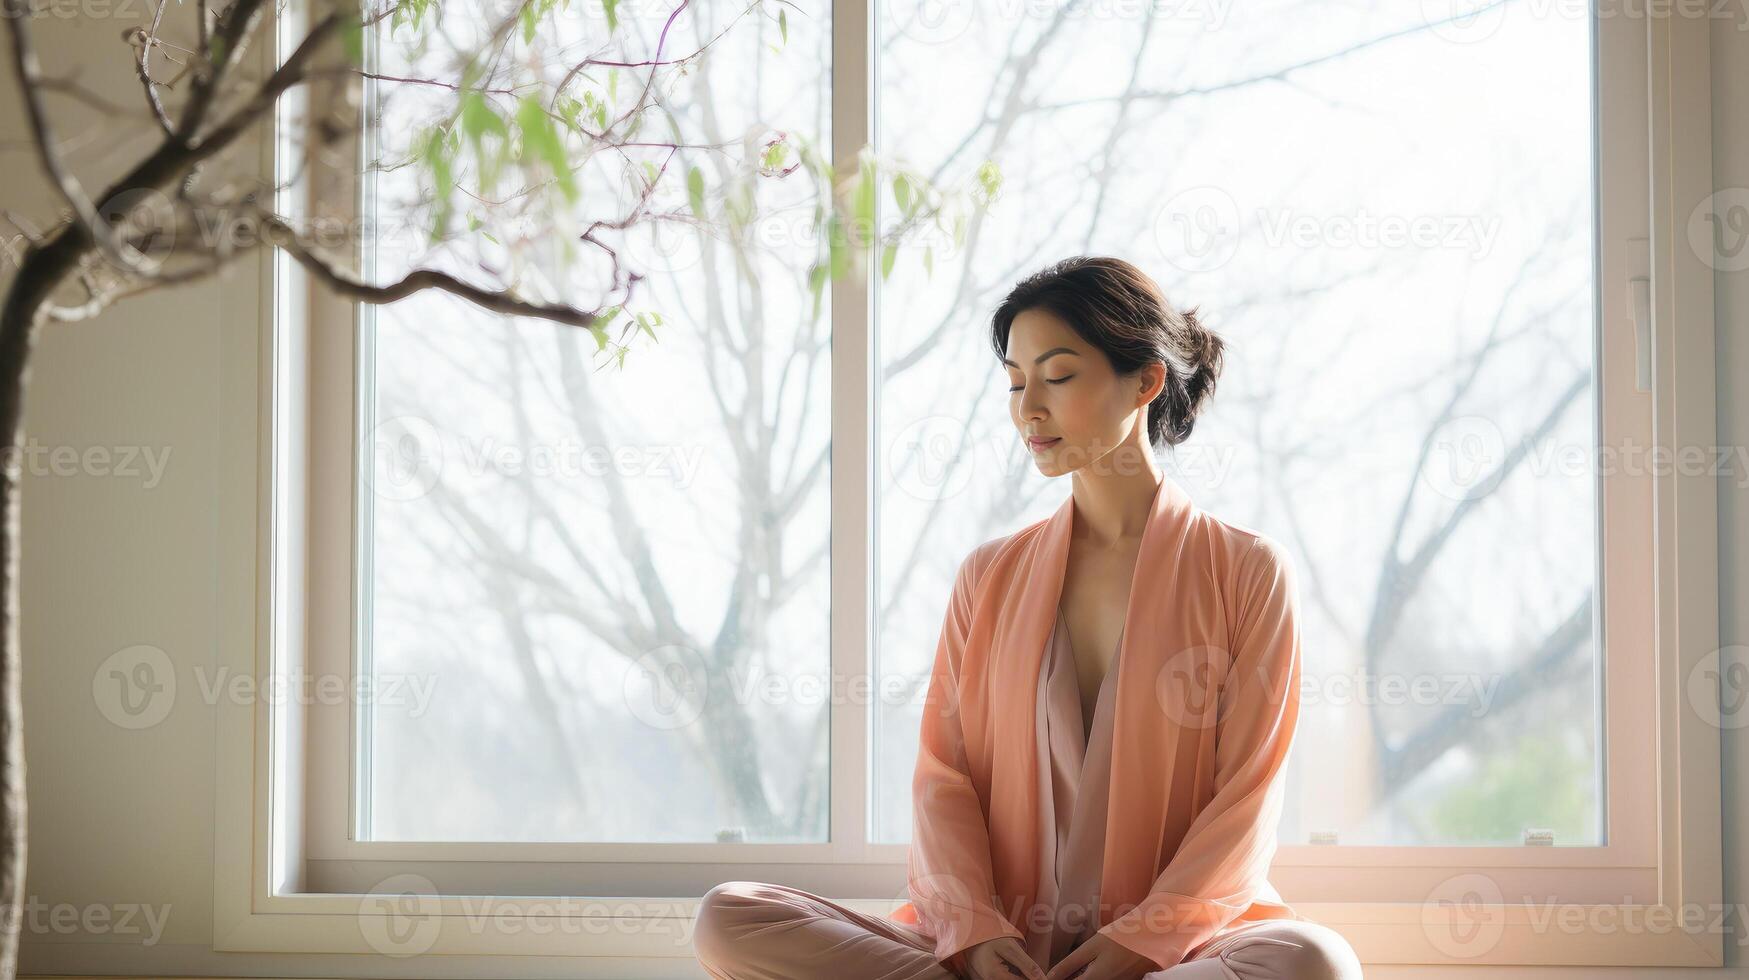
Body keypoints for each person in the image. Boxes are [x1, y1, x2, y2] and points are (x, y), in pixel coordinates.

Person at [692, 256, 1363, 979]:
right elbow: (943, 779)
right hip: (999, 944)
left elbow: (1246, 797)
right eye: (1015, 382)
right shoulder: (989, 576)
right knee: (732, 915)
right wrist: (975, 935)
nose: (1027, 408)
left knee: (1313, 961)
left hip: (1178, 949)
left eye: (1058, 376)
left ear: (1145, 381)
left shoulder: (1246, 570)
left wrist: (1142, 940)